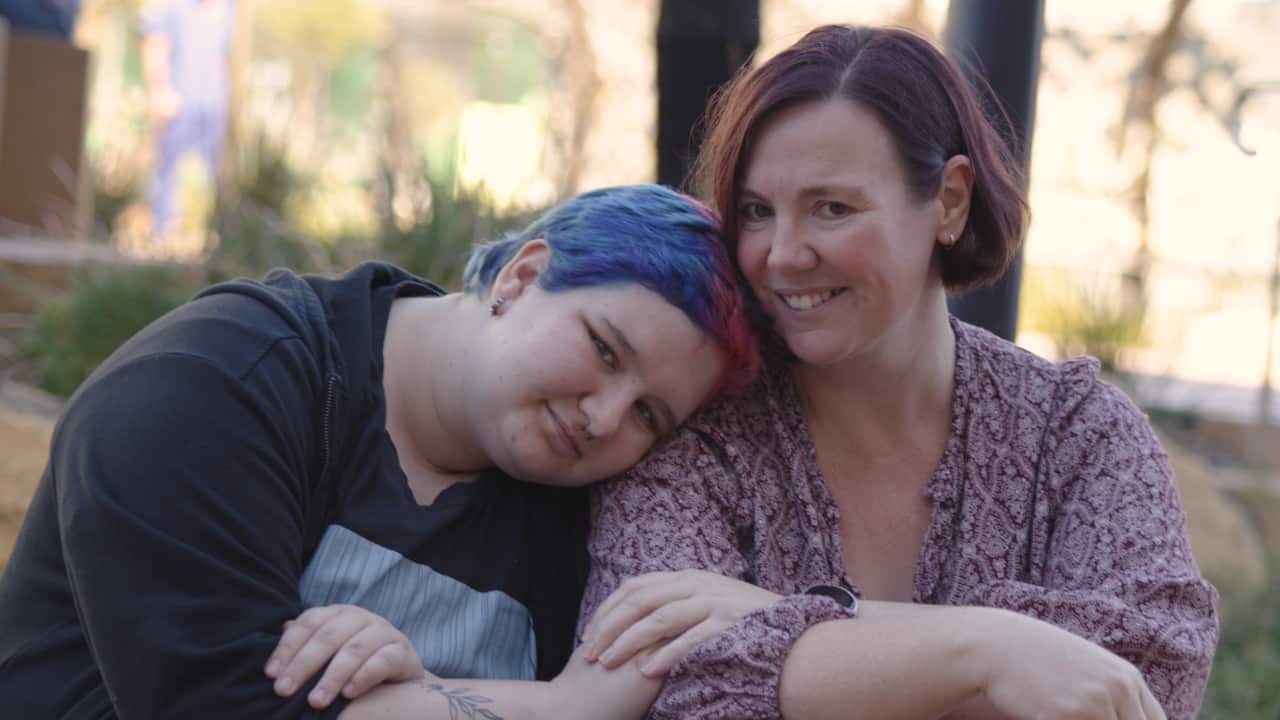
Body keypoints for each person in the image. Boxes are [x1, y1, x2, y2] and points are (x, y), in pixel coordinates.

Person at [577, 25, 1219, 720]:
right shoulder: (694, 430)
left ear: (950, 201)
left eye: (832, 208)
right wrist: (993, 652)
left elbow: (1150, 675)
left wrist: (775, 623)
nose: (783, 254)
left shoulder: (1076, 433)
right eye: (758, 212)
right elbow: (673, 689)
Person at [0, 184, 757, 718]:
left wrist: (420, 692)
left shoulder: (580, 514)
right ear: (523, 277)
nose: (603, 418)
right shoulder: (216, 383)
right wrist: (563, 708)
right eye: (604, 349)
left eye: (649, 415)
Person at [140, 0, 235, 237]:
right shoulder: (173, 7)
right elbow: (155, 44)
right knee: (167, 180)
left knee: (211, 180)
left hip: (214, 106)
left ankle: (208, 236)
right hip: (178, 105)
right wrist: (159, 91)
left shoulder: (230, 8)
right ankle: (163, 237)